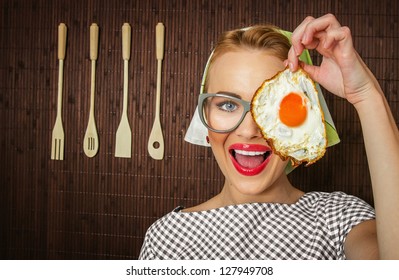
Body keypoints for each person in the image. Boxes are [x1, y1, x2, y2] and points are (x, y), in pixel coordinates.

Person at [139, 14, 399, 259]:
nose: (250, 130)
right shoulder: (165, 238)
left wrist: (366, 95)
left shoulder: (339, 220)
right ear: (205, 123)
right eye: (228, 105)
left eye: (274, 108)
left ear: (303, 126)